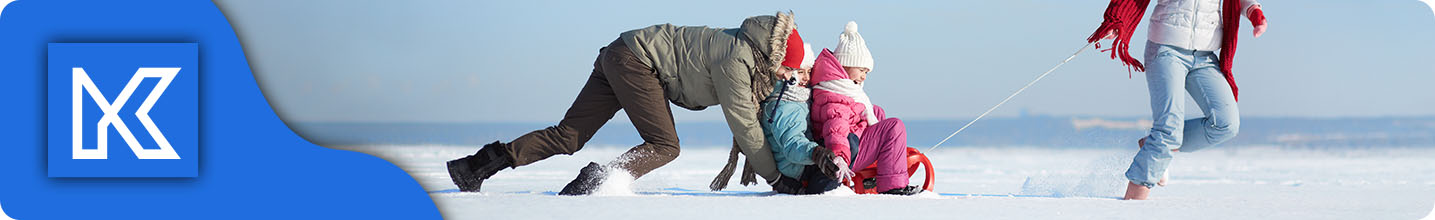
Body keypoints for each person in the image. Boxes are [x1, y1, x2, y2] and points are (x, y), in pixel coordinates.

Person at [446, 12, 808, 195]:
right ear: (774, 57)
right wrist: (776, 178)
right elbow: (744, 123)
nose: (786, 78)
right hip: (637, 63)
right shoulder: (737, 60)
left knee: (568, 136)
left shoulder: (742, 48)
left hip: (620, 54)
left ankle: (474, 167)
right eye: (787, 70)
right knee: (666, 146)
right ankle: (599, 181)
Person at [1086, 0, 1268, 200]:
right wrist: (1117, 20)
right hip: (1166, 49)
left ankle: (1155, 145)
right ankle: (1133, 206)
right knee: (1167, 129)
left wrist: (1254, 12)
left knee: (1226, 124)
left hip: (1206, 56)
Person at [808, 21, 921, 195]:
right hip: (845, 154)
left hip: (849, 140)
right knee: (893, 127)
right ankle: (893, 186)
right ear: (845, 64)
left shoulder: (834, 86)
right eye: (862, 70)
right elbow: (835, 130)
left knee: (875, 111)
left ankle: (884, 163)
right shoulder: (837, 97)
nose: (863, 77)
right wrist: (840, 159)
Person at [761, 43, 843, 194]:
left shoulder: (798, 99)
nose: (806, 77)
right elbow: (792, 145)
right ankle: (823, 193)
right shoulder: (784, 105)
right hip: (796, 168)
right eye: (800, 72)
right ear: (788, 72)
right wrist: (817, 154)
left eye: (809, 71)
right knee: (848, 143)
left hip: (801, 163)